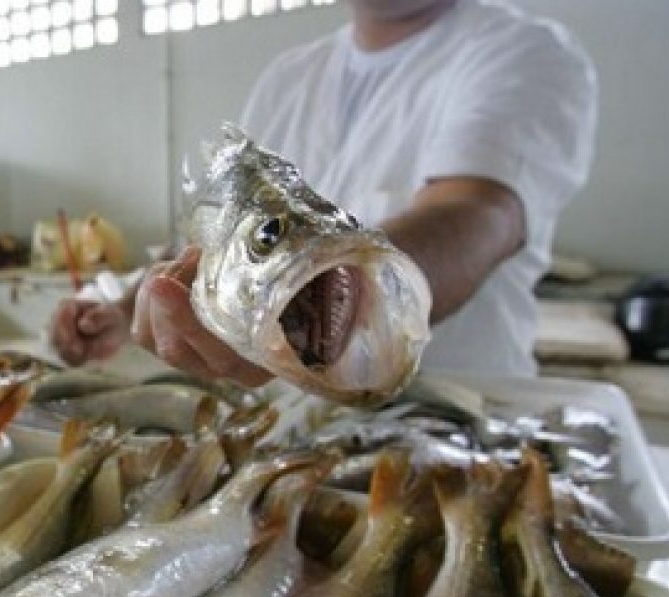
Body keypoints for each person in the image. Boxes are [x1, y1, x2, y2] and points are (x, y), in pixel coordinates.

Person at [49, 0, 597, 385]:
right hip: (292, 438)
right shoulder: (288, 77)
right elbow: (226, 234)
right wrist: (126, 306)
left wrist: (337, 298)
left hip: (459, 422)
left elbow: (475, 213)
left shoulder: (521, 51)